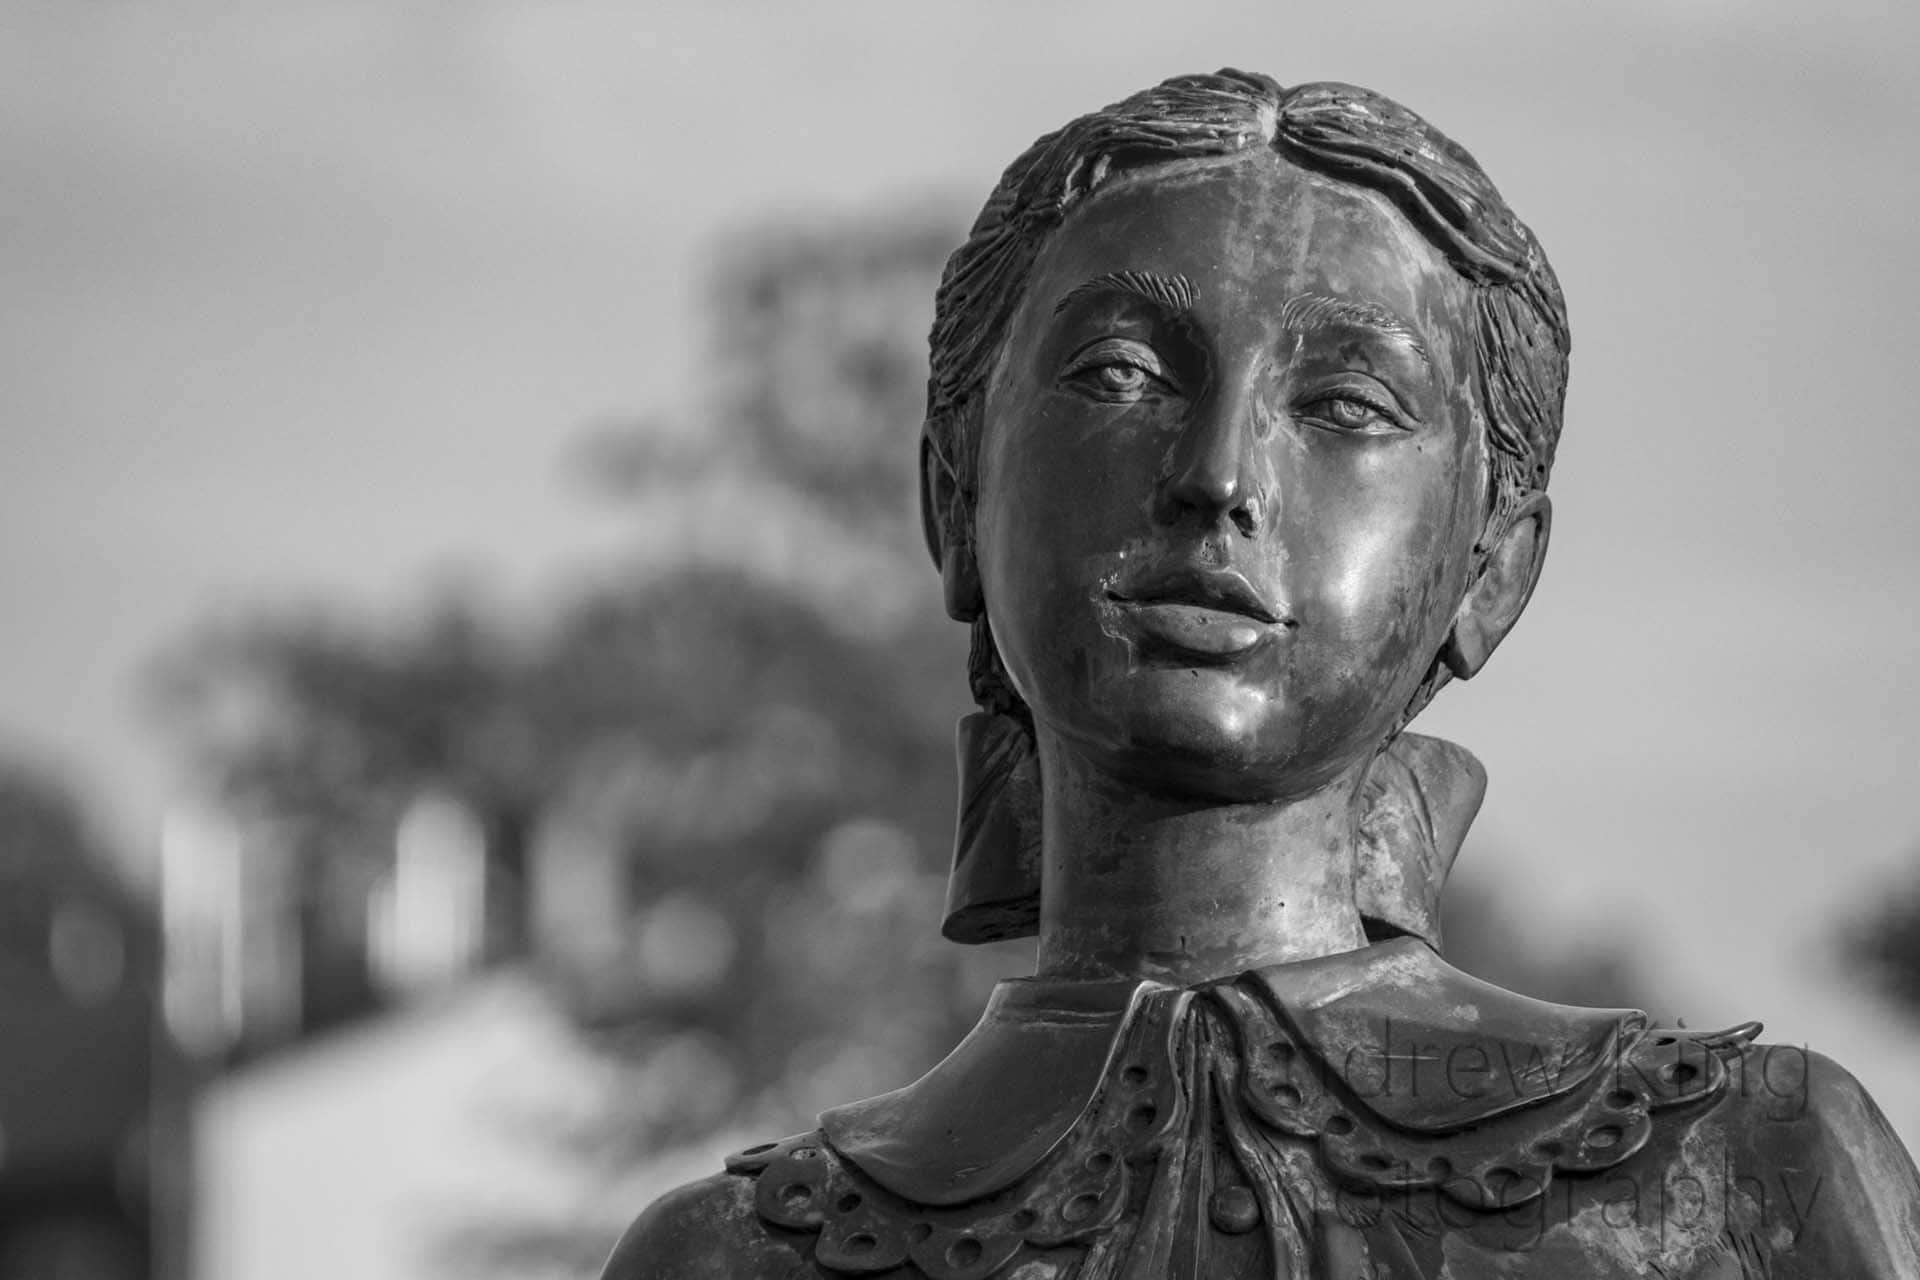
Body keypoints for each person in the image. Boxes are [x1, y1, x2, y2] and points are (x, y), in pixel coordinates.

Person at [601, 70, 1920, 1279]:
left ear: (1491, 571)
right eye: (1120, 374)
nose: (1218, 476)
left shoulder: (1748, 1174)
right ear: (956, 496)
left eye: (1347, 406)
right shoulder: (736, 1259)